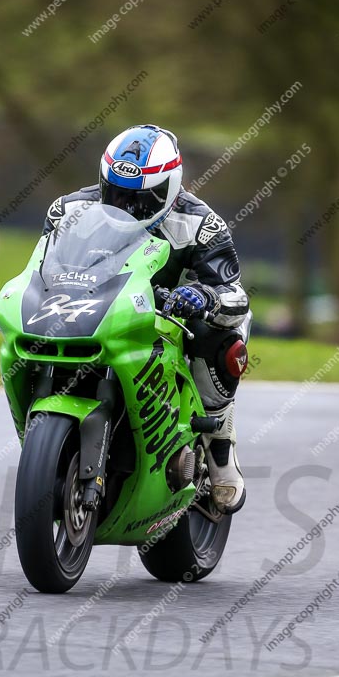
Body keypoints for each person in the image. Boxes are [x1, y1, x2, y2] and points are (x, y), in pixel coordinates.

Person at [43, 124, 251, 514]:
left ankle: (219, 448)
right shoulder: (68, 211)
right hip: (93, 309)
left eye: (140, 199)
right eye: (116, 194)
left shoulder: (202, 224)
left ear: (171, 188)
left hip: (164, 320)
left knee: (220, 335)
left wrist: (202, 295)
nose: (126, 207)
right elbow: (40, 269)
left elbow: (234, 294)